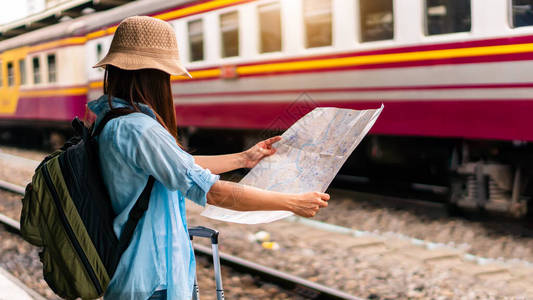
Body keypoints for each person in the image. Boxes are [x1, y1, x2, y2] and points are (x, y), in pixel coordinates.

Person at [89, 16, 330, 300]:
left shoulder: (112, 120)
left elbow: (180, 167)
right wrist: (292, 203)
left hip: (132, 272)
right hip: (151, 280)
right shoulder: (140, 129)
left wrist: (244, 158)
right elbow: (212, 192)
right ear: (156, 76)